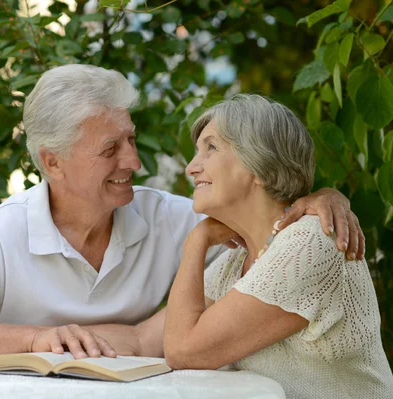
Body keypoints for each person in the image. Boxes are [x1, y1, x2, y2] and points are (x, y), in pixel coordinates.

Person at [0, 65, 363, 360]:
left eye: (131, 140)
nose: (134, 163)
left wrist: (324, 195)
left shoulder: (181, 221)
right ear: (52, 161)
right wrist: (38, 340)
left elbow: (269, 217)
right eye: (110, 148)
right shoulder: (1, 230)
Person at [163, 94, 393, 398]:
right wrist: (78, 335)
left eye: (212, 147)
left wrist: (196, 241)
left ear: (260, 165)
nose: (191, 167)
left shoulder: (312, 240)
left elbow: (182, 350)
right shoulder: (236, 262)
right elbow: (149, 338)